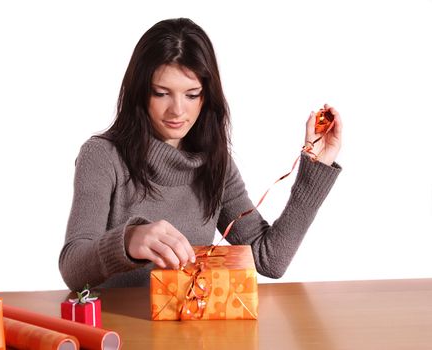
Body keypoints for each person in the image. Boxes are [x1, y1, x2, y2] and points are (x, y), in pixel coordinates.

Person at [59, 18, 342, 290]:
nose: (177, 111)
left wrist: (316, 166)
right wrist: (129, 240)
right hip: (120, 332)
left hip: (190, 330)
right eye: (161, 93)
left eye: (191, 95)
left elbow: (270, 259)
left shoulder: (215, 163)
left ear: (207, 96)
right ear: (139, 93)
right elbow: (72, 267)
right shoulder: (102, 156)